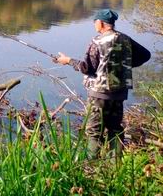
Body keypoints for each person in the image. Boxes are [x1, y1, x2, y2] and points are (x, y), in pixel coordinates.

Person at [55, 9, 150, 157]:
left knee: (94, 131)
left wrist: (67, 61)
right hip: (119, 94)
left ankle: (91, 166)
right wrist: (122, 65)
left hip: (99, 94)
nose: (94, 25)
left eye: (95, 22)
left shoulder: (98, 41)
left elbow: (87, 68)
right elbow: (146, 55)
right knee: (115, 129)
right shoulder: (125, 38)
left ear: (100, 23)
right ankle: (115, 166)